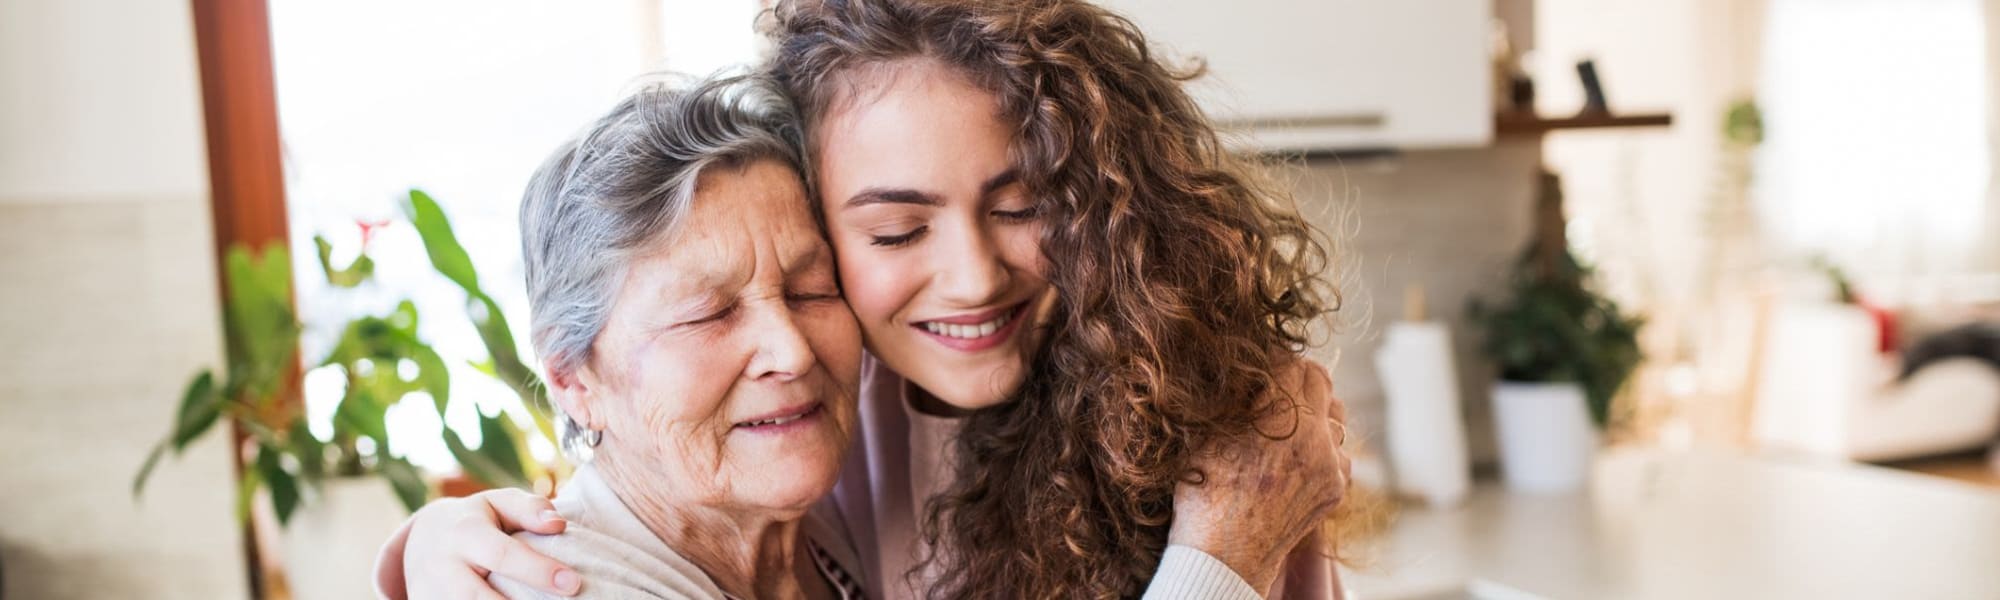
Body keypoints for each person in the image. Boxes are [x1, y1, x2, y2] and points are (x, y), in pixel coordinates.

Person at [376, 1, 1352, 598]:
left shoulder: (1212, 424)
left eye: (1022, 206)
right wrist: (430, 545)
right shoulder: (819, 436)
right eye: (894, 232)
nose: (971, 277)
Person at [488, 75, 868, 599]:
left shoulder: (846, 531)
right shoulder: (554, 587)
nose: (793, 351)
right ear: (572, 379)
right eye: (710, 314)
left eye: (811, 290)